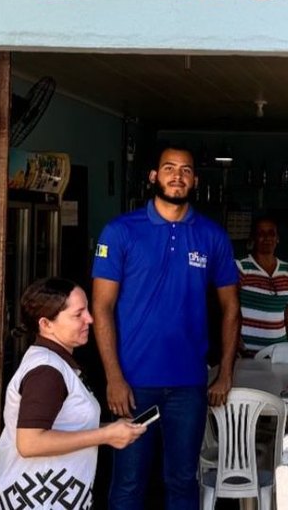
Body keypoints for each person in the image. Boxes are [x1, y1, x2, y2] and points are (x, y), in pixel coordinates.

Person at [91, 145, 240, 510]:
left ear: (195, 180)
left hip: (189, 385)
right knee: (128, 483)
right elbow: (102, 306)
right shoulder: (120, 231)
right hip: (133, 384)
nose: (178, 176)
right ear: (154, 176)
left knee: (181, 481)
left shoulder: (212, 236)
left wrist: (224, 373)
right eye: (169, 168)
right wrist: (113, 377)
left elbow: (231, 308)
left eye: (186, 170)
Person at [0, 277, 146, 509]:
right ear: (46, 324)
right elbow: (30, 443)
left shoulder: (56, 363)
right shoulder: (47, 371)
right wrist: (105, 436)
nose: (90, 319)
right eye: (78, 314)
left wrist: (111, 430)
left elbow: (64, 427)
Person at [237, 216, 288, 356]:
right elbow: (229, 308)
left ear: (277, 238)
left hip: (279, 354)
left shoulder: (287, 270)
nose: (267, 238)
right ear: (253, 238)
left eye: (271, 233)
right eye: (261, 234)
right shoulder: (240, 267)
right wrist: (235, 340)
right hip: (246, 351)